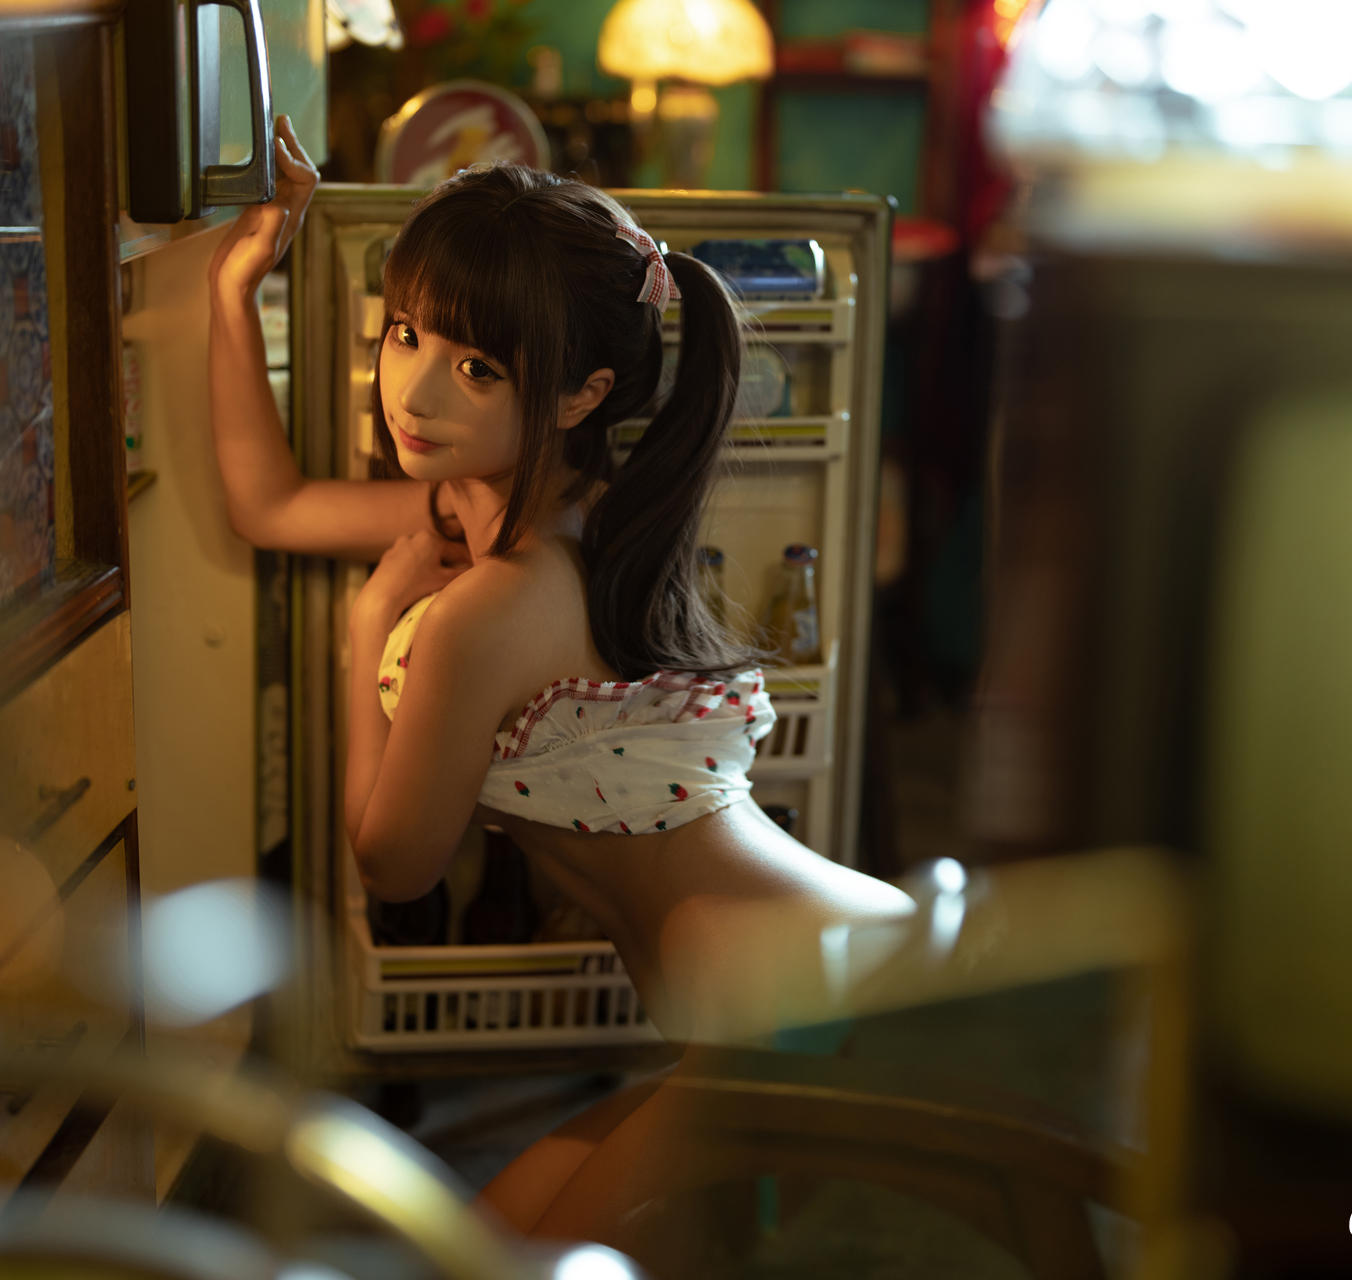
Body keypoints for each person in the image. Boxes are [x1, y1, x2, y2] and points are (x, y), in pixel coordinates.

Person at [207, 118, 914, 1234]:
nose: (415, 393)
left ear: (583, 394)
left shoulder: (491, 604)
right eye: (406, 335)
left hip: (803, 1014)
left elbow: (394, 864)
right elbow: (273, 506)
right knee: (492, 1240)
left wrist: (371, 621)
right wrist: (232, 290)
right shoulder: (572, 517)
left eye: (477, 367)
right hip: (833, 977)